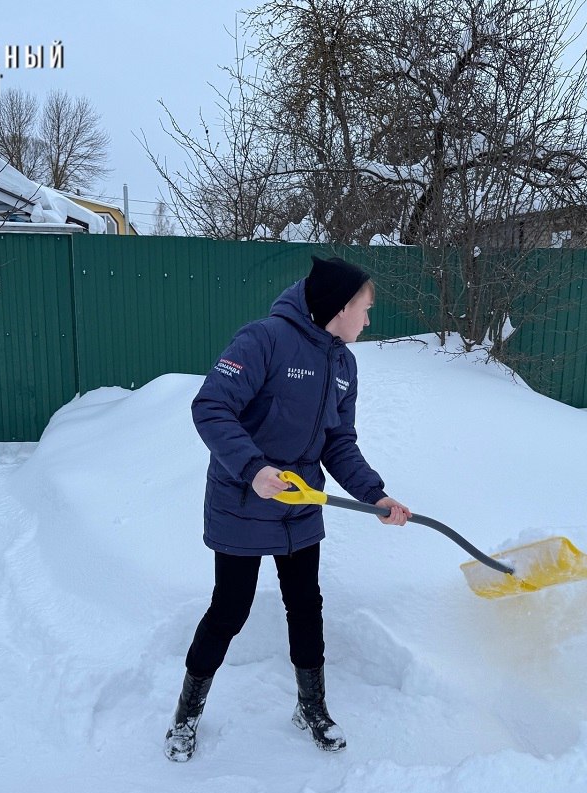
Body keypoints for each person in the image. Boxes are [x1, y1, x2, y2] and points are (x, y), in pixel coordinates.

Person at [164, 256, 410, 763]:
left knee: (306, 607)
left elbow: (339, 442)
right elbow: (210, 407)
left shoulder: (343, 363)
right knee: (229, 611)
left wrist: (376, 495)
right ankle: (186, 716)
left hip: (300, 505)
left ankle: (311, 707)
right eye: (365, 309)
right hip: (242, 502)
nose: (368, 320)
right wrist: (254, 470)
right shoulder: (264, 340)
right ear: (340, 307)